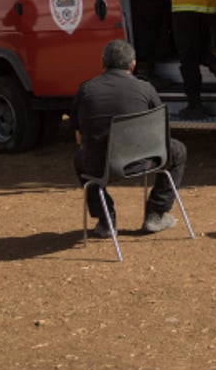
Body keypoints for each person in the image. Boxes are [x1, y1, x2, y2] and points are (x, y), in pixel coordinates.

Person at [70, 39, 187, 237]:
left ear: (102, 63)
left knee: (80, 159)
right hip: (147, 161)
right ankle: (155, 214)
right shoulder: (146, 89)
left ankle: (106, 221)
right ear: (133, 65)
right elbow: (162, 132)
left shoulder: (86, 90)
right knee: (178, 150)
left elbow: (79, 136)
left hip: (104, 167)